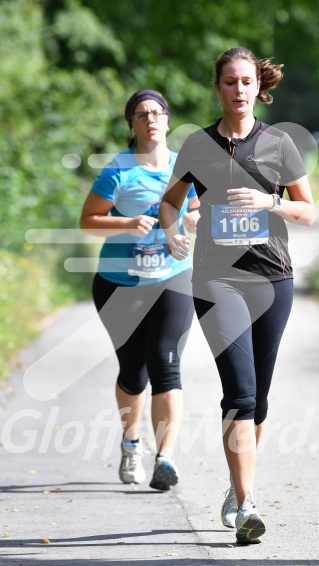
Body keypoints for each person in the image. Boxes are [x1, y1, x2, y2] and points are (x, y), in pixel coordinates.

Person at [159, 48, 314, 542]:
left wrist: (272, 202)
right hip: (214, 277)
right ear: (218, 87)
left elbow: (308, 211)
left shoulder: (279, 143)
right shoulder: (198, 146)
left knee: (260, 396)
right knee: (241, 391)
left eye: (247, 82)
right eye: (230, 82)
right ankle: (248, 506)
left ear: (258, 87)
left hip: (272, 280)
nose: (240, 90)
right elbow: (170, 201)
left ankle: (236, 483)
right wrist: (170, 229)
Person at [80, 89, 199, 491]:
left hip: (173, 276)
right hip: (119, 284)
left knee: (167, 365)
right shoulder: (118, 170)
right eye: (141, 114)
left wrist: (194, 222)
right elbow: (89, 220)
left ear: (167, 120)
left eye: (157, 112)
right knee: (134, 373)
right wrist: (126, 224)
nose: (150, 119)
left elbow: (194, 208)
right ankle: (132, 444)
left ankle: (164, 457)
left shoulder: (184, 166)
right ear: (131, 123)